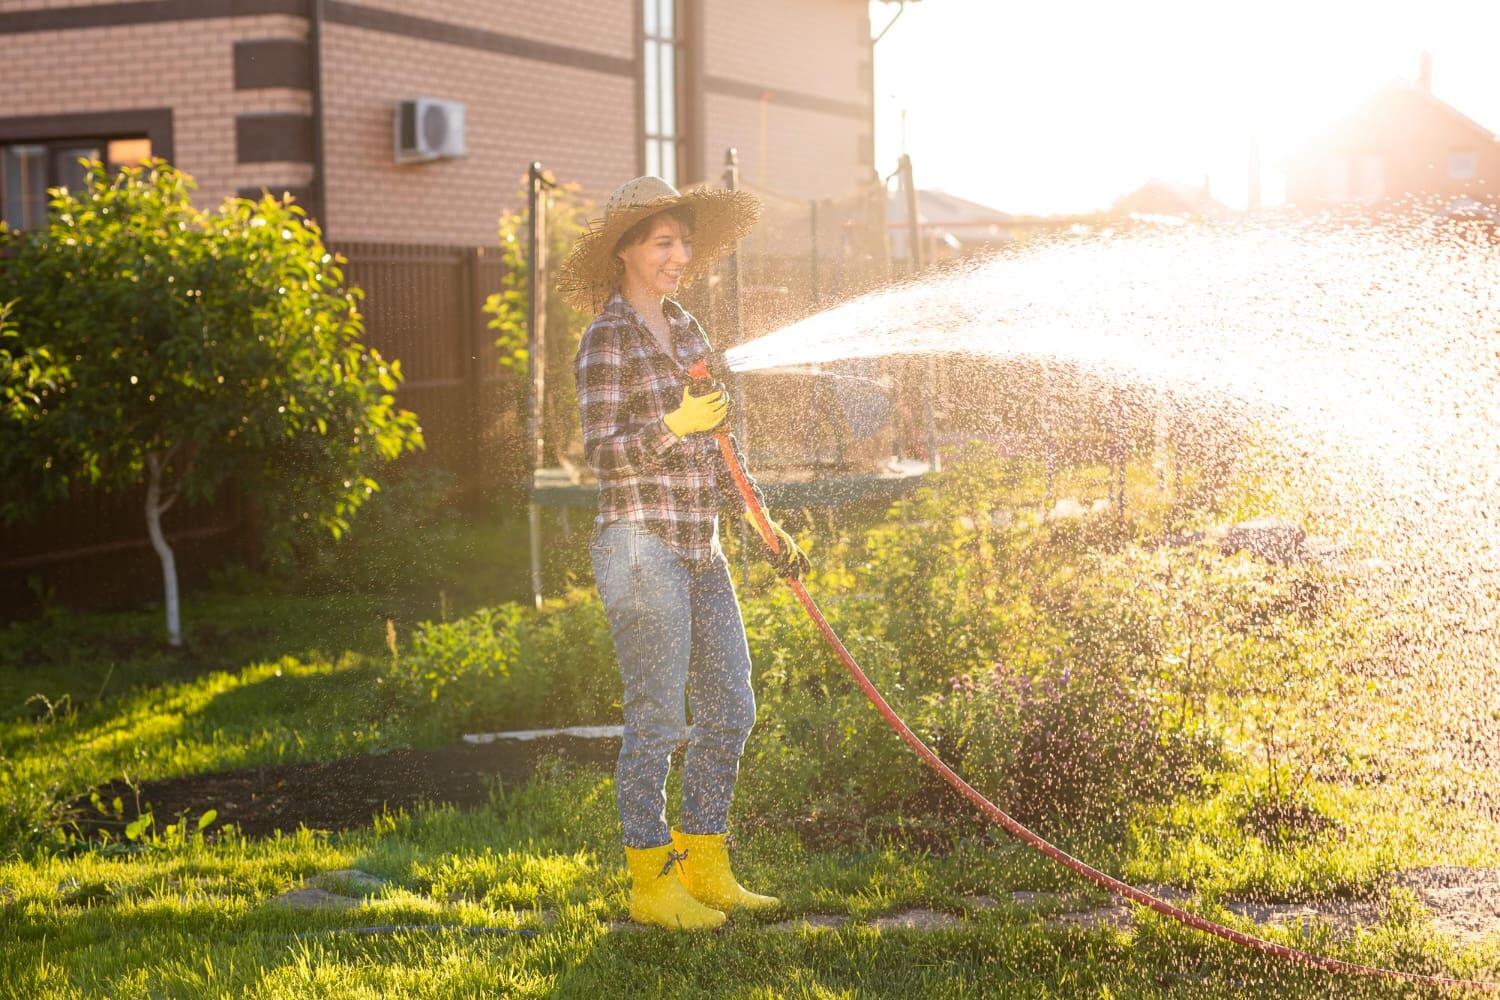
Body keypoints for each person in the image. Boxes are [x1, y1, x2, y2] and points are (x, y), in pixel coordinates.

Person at [559, 175, 810, 930]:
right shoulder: (607, 338)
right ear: (626, 250)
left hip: (702, 547)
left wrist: (765, 524)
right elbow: (602, 455)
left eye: (685, 243)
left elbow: (722, 445)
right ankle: (651, 880)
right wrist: (673, 426)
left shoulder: (688, 328)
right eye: (664, 242)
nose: (680, 256)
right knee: (659, 720)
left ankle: (705, 864)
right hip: (640, 548)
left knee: (731, 706)